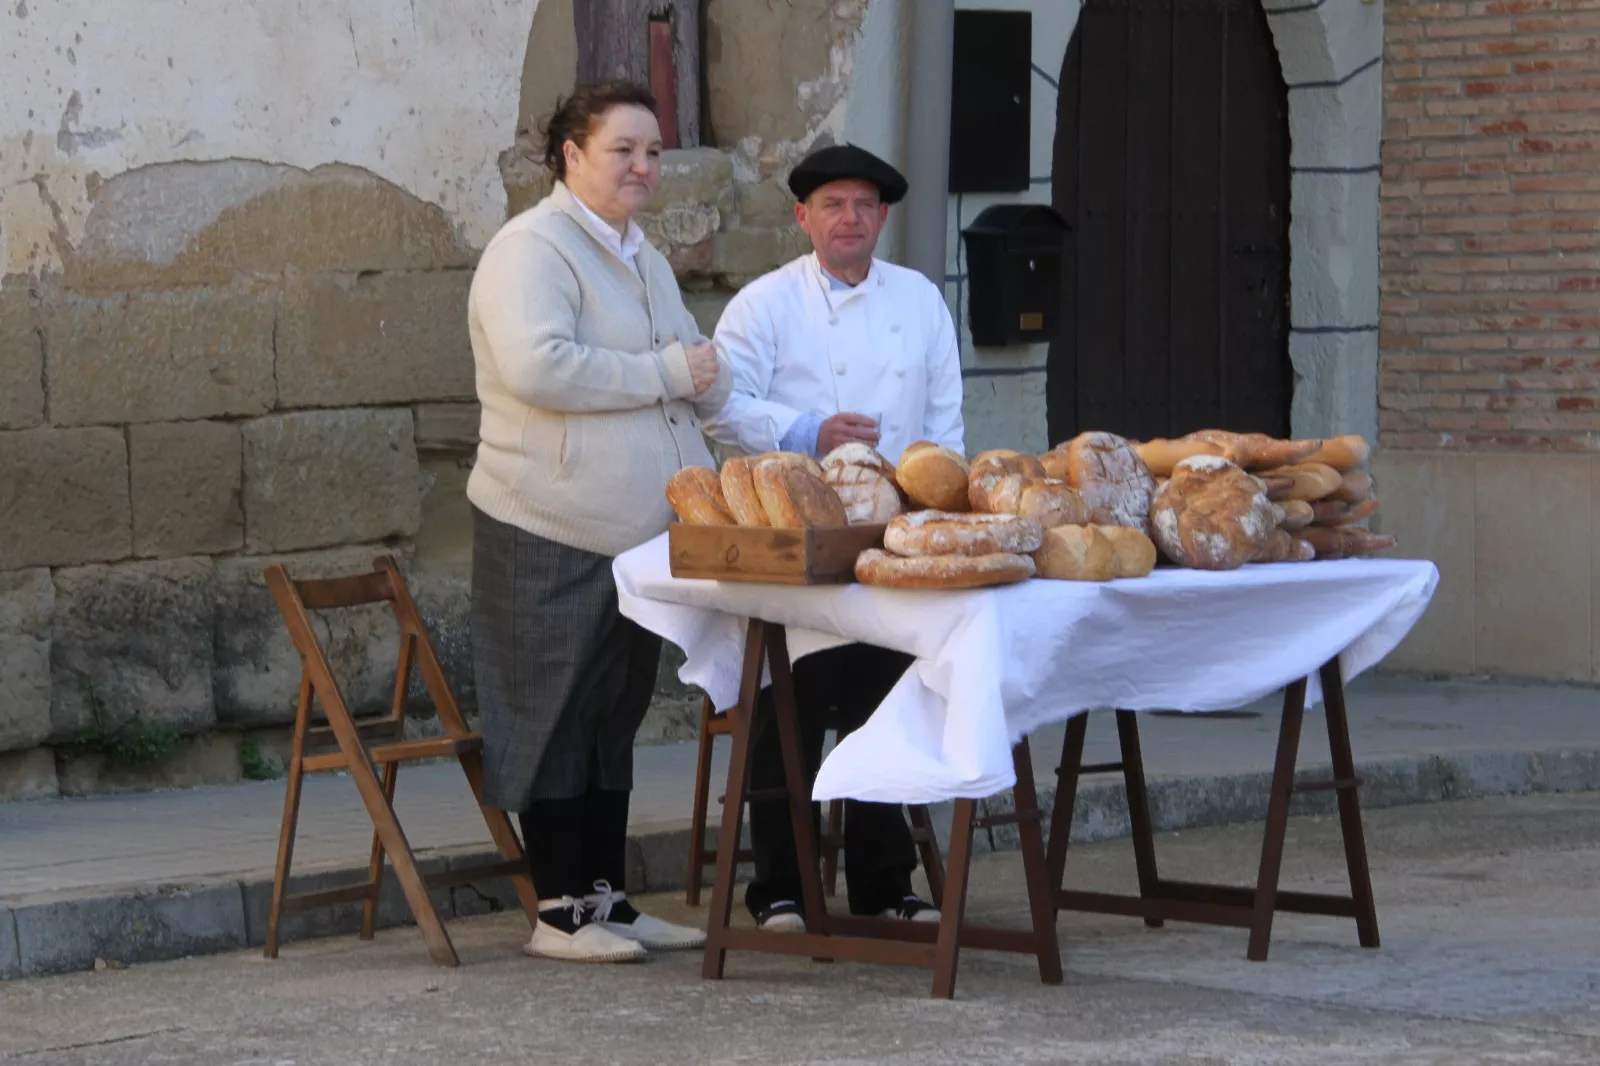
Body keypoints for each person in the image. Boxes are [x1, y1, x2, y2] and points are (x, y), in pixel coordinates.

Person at [467, 80, 731, 963]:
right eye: (623, 150)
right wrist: (666, 372)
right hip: (549, 523)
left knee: (611, 717)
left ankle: (607, 900)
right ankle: (557, 910)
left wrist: (709, 377)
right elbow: (538, 368)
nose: (643, 167)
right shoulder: (530, 249)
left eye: (654, 151)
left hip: (639, 538)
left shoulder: (642, 256)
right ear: (570, 155)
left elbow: (688, 361)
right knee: (552, 710)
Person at [704, 143, 965, 931]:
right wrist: (806, 429)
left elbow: (947, 422)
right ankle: (778, 888)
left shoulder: (920, 300)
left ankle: (884, 886)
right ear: (803, 218)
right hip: (795, 550)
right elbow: (720, 406)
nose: (848, 219)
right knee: (790, 705)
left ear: (883, 218)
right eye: (832, 206)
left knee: (887, 705)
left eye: (863, 206)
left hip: (893, 543)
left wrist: (937, 512)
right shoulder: (763, 305)